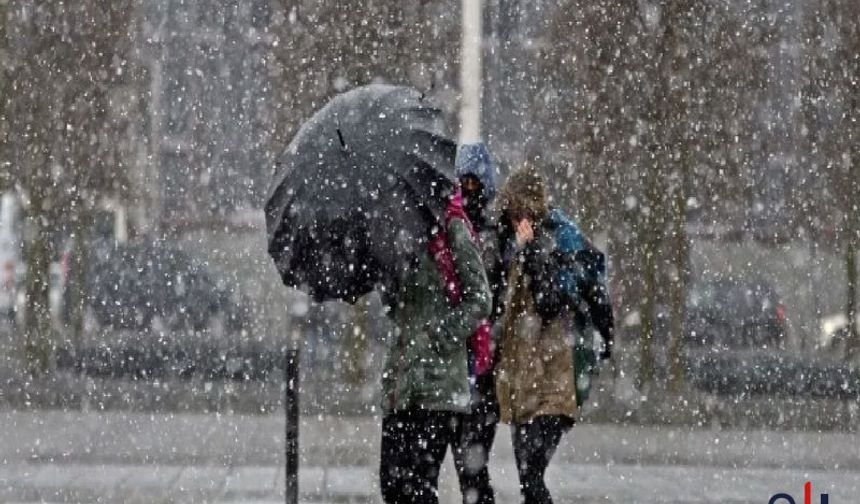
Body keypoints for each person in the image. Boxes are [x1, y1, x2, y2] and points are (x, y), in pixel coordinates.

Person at [494, 166, 613, 504]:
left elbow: (551, 301)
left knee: (532, 476)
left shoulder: (559, 238)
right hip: (523, 376)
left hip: (556, 377)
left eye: (517, 207)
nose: (512, 215)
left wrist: (531, 253)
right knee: (527, 481)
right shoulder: (511, 240)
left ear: (530, 206)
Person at [379, 186, 492, 504]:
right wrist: (388, 279)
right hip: (400, 384)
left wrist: (440, 335)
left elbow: (480, 300)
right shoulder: (396, 230)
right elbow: (396, 308)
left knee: (418, 490)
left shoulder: (451, 227)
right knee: (391, 486)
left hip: (438, 386)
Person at [452, 142, 503, 504]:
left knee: (472, 461)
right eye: (463, 184)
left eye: (474, 184)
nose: (469, 191)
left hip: (483, 361)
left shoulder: (493, 233)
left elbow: (489, 291)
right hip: (465, 359)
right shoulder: (455, 229)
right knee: (466, 460)